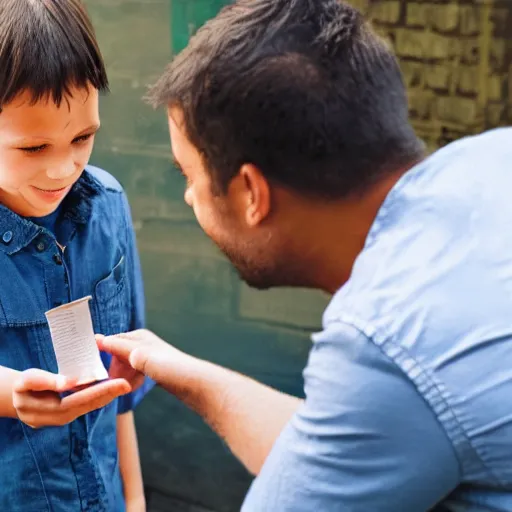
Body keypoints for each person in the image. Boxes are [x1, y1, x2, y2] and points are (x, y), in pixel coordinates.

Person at [99, 0, 512, 510]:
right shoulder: (492, 157)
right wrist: (178, 369)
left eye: (189, 176)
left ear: (252, 194)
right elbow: (334, 452)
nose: (188, 197)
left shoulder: (382, 341)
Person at [0, 1, 153, 511]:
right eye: (33, 147)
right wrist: (10, 395)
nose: (64, 169)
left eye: (83, 137)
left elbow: (121, 392)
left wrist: (134, 500)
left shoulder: (107, 206)